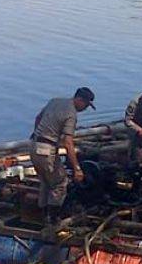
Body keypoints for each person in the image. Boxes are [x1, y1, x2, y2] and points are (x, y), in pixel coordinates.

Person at [30, 87, 95, 226]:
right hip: (46, 151)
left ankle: (42, 214)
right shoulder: (71, 114)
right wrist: (77, 168)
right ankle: (53, 219)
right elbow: (68, 142)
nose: (85, 109)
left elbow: (38, 118)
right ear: (79, 100)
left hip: (34, 146)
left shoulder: (55, 101)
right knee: (60, 183)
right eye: (86, 105)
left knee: (46, 182)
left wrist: (38, 135)